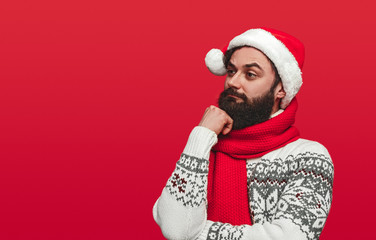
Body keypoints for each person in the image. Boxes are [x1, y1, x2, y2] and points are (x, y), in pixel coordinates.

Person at [152, 28, 334, 240]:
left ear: (281, 89)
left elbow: (292, 237)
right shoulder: (204, 147)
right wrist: (201, 134)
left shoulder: (308, 156)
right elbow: (174, 229)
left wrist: (195, 234)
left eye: (250, 74)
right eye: (231, 71)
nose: (233, 82)